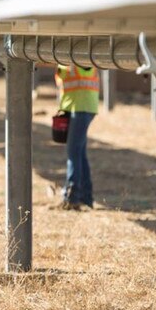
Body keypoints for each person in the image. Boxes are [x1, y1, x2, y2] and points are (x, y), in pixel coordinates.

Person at [54, 63, 99, 210]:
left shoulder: (81, 57)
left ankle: (72, 197)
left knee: (73, 153)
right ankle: (86, 197)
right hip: (76, 108)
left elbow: (83, 70)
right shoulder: (64, 60)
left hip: (81, 108)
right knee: (79, 153)